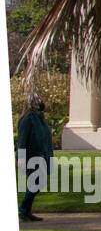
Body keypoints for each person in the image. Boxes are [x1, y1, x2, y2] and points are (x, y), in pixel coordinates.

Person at [16, 94, 53, 222]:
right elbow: (22, 140)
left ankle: (26, 210)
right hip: (32, 155)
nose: (41, 103)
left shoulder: (39, 118)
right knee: (36, 182)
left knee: (38, 182)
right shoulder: (27, 119)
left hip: (41, 155)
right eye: (38, 101)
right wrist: (21, 158)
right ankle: (23, 210)